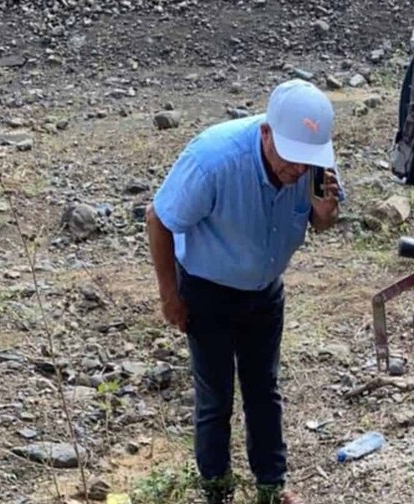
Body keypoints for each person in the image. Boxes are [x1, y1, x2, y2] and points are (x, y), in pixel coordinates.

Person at [145, 79, 343, 504]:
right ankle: (218, 491)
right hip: (207, 292)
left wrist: (325, 214)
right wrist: (169, 296)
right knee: (216, 399)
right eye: (290, 159)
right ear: (266, 132)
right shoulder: (213, 159)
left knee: (263, 390)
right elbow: (158, 219)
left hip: (265, 291)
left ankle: (272, 488)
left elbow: (319, 220)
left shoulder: (312, 159)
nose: (297, 170)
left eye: (305, 161)